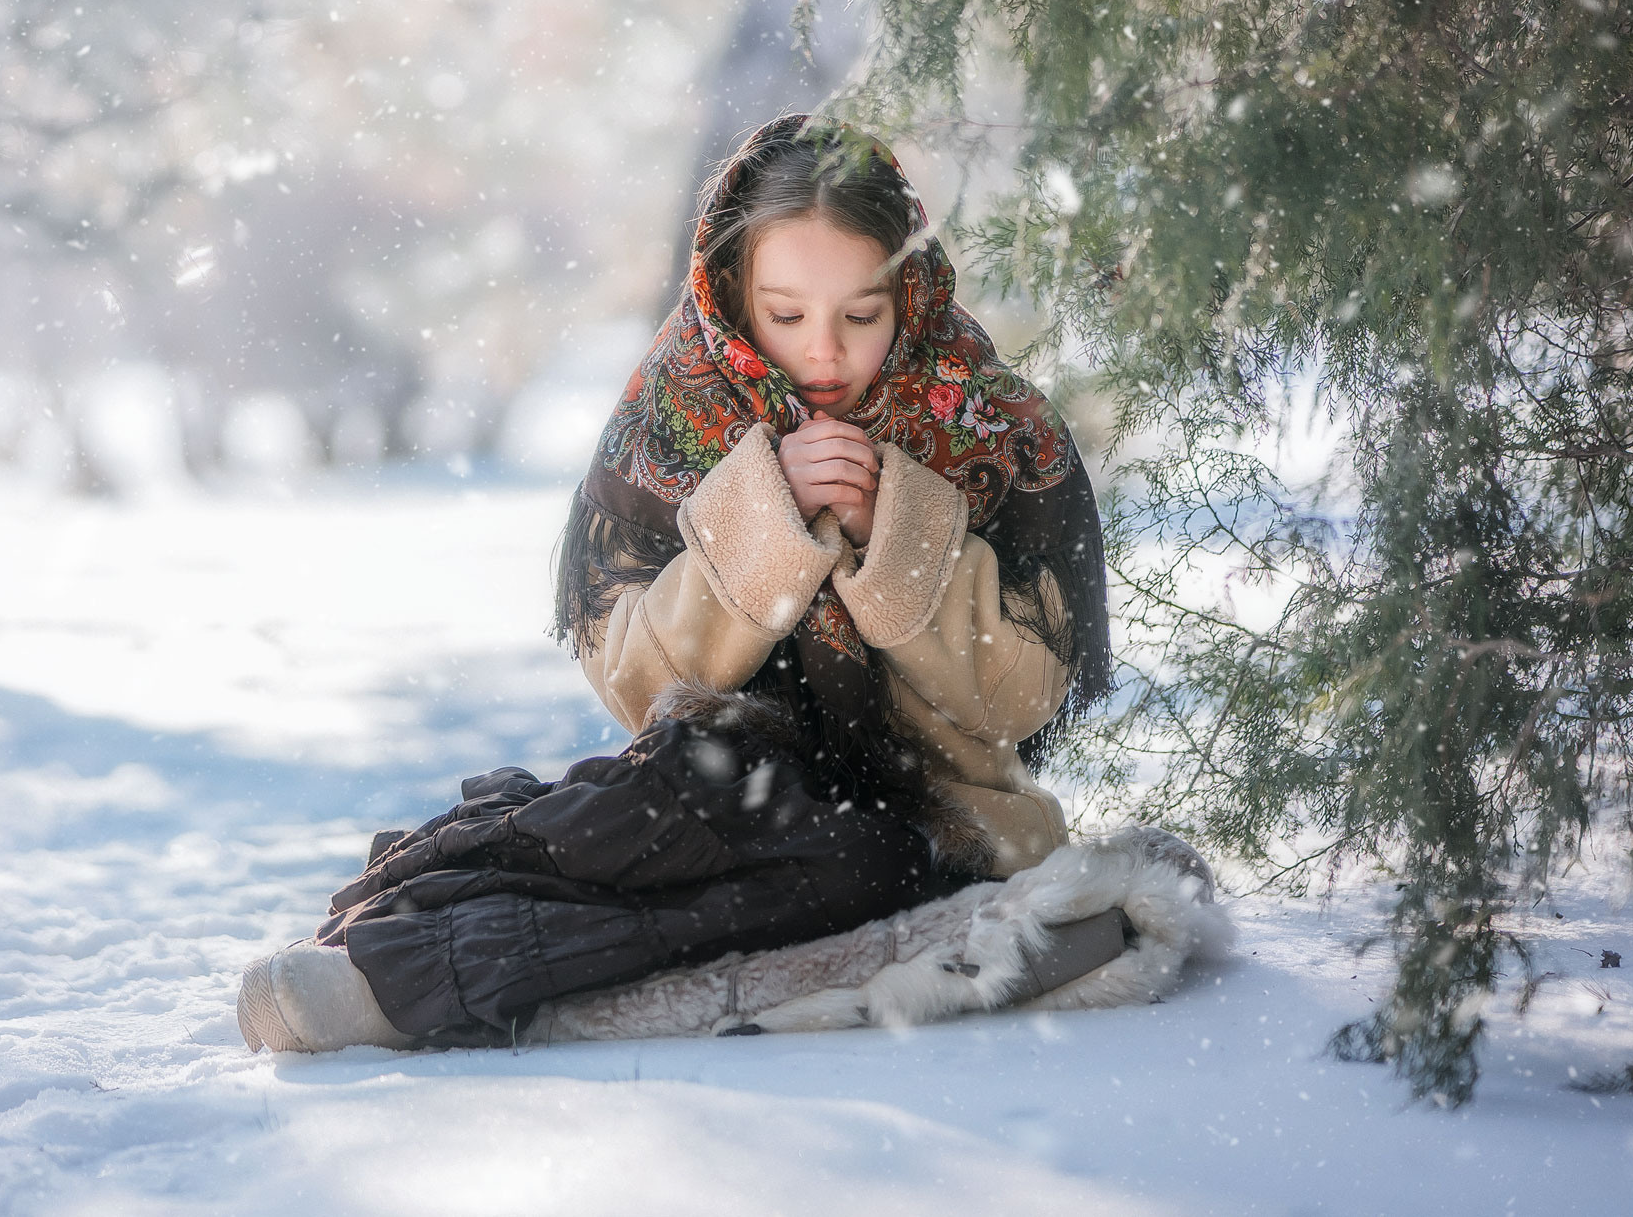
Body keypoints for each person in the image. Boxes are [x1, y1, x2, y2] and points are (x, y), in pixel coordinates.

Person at [237, 114, 1114, 1053]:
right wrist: (764, 514)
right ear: (732, 293)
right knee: (663, 811)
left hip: (934, 824)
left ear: (910, 289)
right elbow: (637, 684)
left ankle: (398, 981)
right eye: (786, 315)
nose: (824, 354)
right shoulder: (677, 411)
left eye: (861, 315)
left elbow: (1023, 695)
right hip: (715, 786)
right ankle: (412, 922)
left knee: (836, 868)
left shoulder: (984, 420)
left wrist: (890, 530)